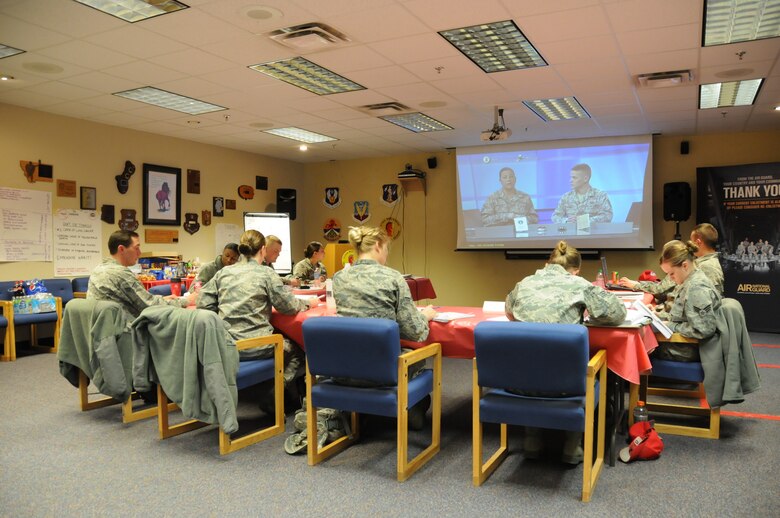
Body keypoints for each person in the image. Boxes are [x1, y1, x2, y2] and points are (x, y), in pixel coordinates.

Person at [505, 240, 626, 465]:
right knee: (592, 368)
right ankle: (572, 446)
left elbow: (509, 313)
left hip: (519, 382)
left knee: (534, 365)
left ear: (547, 263)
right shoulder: (579, 284)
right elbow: (617, 313)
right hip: (566, 386)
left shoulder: (524, 283)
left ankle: (532, 440)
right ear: (576, 270)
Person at [197, 230, 319, 410]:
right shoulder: (266, 274)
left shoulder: (223, 273)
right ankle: (275, 394)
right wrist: (309, 304)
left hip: (226, 344)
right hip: (258, 345)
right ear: (263, 249)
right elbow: (289, 306)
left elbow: (203, 304)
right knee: (299, 351)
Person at [332, 226, 437, 429]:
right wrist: (425, 316)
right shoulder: (393, 278)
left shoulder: (339, 278)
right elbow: (415, 332)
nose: (387, 255)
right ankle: (413, 405)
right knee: (423, 355)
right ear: (379, 246)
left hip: (343, 368)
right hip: (383, 371)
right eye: (387, 249)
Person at [87, 230, 193, 322]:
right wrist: (187, 300)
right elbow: (150, 306)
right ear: (121, 249)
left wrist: (165, 299)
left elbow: (141, 300)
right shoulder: (120, 273)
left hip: (106, 332)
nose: (139, 253)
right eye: (136, 248)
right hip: (126, 333)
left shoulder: (99, 269)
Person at [652, 240, 722, 362]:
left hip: (687, 349)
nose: (670, 278)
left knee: (642, 346)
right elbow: (684, 316)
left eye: (671, 273)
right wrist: (660, 315)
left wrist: (670, 326)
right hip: (685, 344)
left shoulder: (696, 288)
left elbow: (704, 329)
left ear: (685, 265)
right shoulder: (691, 279)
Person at [619, 223, 725, 301]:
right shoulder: (704, 263)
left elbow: (662, 289)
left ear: (698, 242)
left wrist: (636, 285)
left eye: (690, 241)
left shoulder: (705, 267)